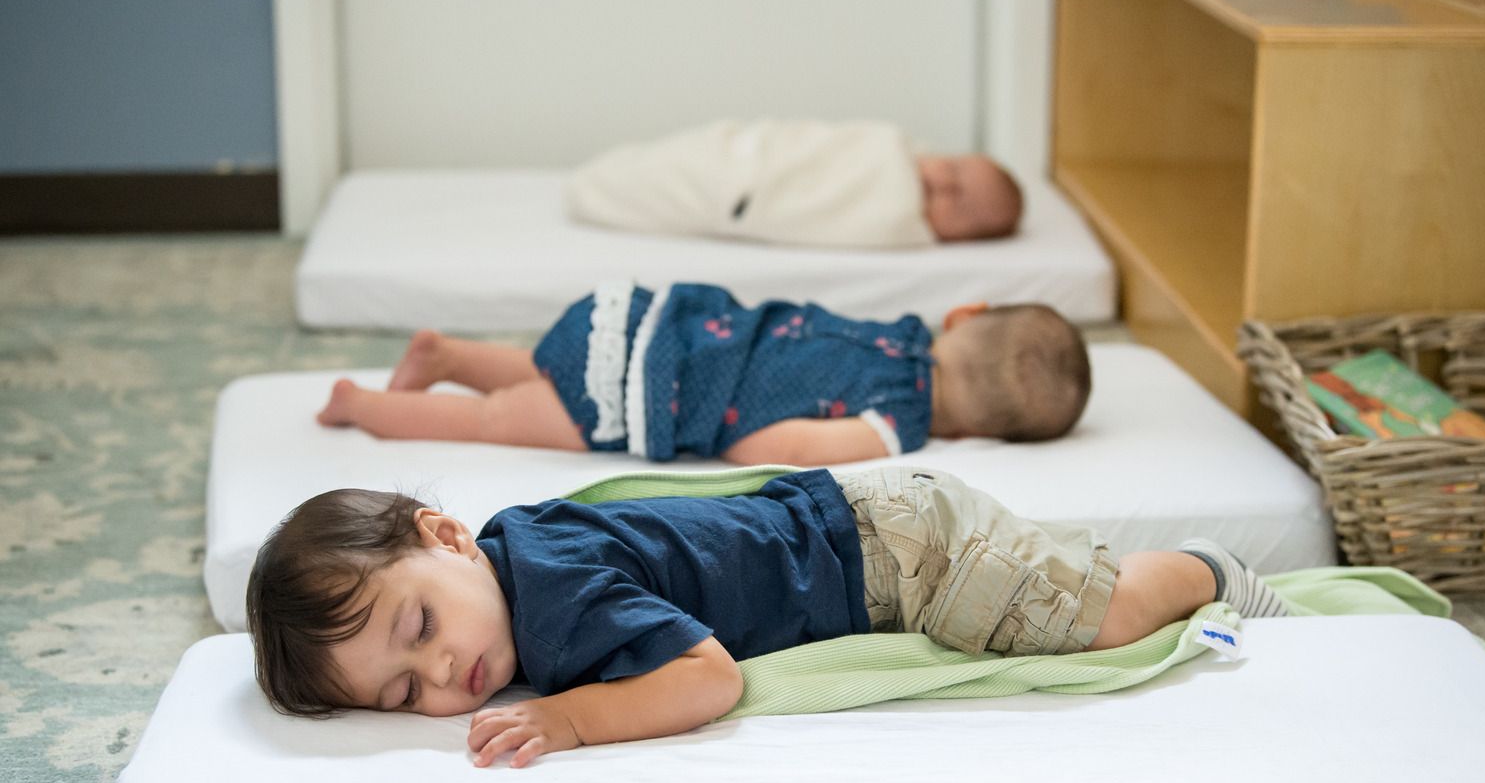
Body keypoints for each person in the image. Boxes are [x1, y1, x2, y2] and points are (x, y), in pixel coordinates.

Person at [245, 466, 1291, 769]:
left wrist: (569, 720)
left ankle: (1204, 569)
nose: (447, 673)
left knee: (1095, 615)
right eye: (403, 690)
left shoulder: (555, 604)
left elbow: (708, 677)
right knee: (1056, 575)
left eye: (423, 628)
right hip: (866, 514)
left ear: (450, 534)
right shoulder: (518, 547)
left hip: (900, 560)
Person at [316, 282, 1091, 466]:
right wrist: (737, 451)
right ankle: (365, 405)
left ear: (966, 315)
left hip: (670, 329)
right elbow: (776, 445)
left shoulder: (900, 330)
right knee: (499, 421)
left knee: (548, 370)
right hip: (674, 395)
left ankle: (446, 356)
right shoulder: (894, 424)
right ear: (987, 432)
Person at [565, 119, 1024, 247]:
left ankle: (593, 188)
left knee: (654, 189)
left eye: (959, 204)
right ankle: (594, 181)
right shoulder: (893, 147)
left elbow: (861, 212)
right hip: (747, 157)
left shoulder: (899, 219)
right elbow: (822, 147)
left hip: (742, 196)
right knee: (667, 163)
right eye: (957, 170)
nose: (945, 183)